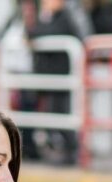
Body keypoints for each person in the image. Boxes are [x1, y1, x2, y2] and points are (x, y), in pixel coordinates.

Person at [27, 0, 83, 165]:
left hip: (62, 77)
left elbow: (46, 34)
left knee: (62, 115)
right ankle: (61, 150)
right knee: (52, 115)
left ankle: (72, 152)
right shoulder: (46, 17)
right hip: (49, 78)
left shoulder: (66, 17)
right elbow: (32, 34)